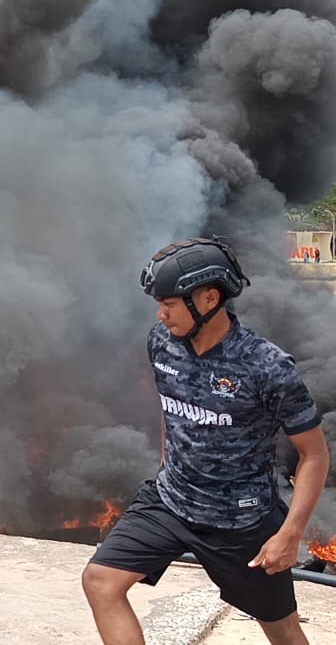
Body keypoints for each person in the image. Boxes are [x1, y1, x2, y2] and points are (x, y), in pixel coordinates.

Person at [83, 238, 329, 645]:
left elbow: (314, 454)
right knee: (99, 581)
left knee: (281, 629)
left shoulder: (267, 366)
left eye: (169, 303)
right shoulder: (161, 342)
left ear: (209, 298)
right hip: (170, 502)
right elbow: (172, 411)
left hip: (241, 522)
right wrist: (170, 468)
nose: (160, 314)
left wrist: (290, 533)